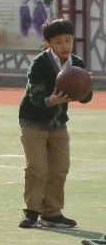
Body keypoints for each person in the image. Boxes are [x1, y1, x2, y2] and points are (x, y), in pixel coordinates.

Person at [17, 18, 94, 229]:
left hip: (58, 123)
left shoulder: (77, 64)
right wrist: (51, 100)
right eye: (58, 42)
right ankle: (32, 212)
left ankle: (51, 213)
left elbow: (86, 98)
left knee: (60, 167)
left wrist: (86, 86)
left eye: (68, 41)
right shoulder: (39, 64)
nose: (64, 46)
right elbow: (35, 96)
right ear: (48, 44)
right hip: (33, 122)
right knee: (38, 167)